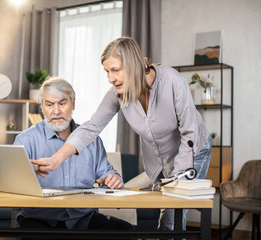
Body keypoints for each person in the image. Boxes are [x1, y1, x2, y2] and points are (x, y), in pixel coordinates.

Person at [30, 37, 212, 231]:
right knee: (168, 214)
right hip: (160, 160)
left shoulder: (172, 81)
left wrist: (178, 180)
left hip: (192, 152)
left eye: (115, 70)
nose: (110, 78)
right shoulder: (117, 94)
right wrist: (57, 159)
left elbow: (190, 132)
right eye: (107, 72)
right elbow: (92, 127)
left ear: (133, 64)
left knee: (172, 214)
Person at [13, 77, 134, 236]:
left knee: (124, 232)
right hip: (40, 219)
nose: (56, 111)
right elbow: (12, 185)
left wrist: (112, 179)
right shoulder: (26, 140)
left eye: (62, 104)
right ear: (42, 107)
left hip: (84, 219)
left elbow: (109, 175)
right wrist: (28, 173)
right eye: (49, 105)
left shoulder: (92, 140)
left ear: (73, 103)